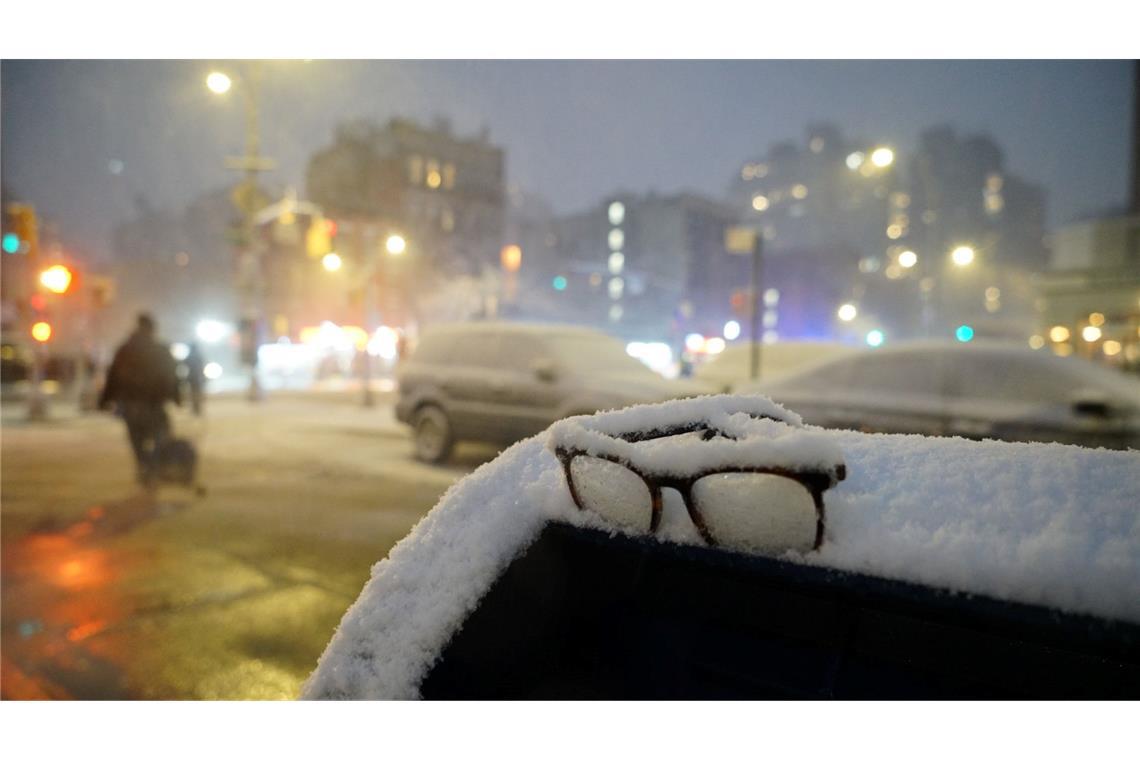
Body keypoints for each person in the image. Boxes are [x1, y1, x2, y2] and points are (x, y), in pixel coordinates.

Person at [99, 313, 181, 487]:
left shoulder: (125, 349)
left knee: (136, 439)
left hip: (131, 404)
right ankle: (152, 465)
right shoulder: (159, 349)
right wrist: (176, 397)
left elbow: (113, 376)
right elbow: (171, 376)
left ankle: (144, 465)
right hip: (154, 404)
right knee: (160, 435)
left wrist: (105, 400)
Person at [183, 342, 206, 416]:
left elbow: (184, 363)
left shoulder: (190, 356)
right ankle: (197, 408)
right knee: (197, 393)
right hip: (197, 377)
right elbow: (202, 365)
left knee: (193, 393)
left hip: (192, 377)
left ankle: (195, 408)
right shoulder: (198, 356)